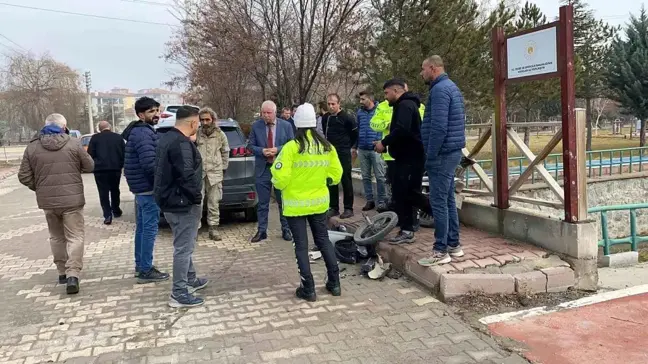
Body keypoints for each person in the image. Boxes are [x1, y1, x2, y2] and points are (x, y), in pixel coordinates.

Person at [271, 103, 343, 302]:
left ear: (297, 123)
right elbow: (336, 175)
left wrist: (280, 185)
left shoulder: (291, 148)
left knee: (301, 246)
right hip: (319, 204)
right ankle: (334, 283)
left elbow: (279, 177)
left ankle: (308, 288)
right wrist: (324, 182)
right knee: (323, 240)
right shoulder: (327, 147)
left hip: (295, 206)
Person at [18, 113, 94, 294]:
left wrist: (40, 188)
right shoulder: (73, 143)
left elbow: (23, 176)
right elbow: (90, 166)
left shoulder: (32, 147)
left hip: (48, 201)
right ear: (64, 126)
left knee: (56, 236)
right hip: (72, 200)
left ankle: (61, 272)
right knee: (75, 236)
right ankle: (73, 274)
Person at [154, 106, 208, 308]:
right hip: (182, 204)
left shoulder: (166, 138)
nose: (199, 126)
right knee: (183, 248)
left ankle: (191, 279)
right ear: (193, 123)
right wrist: (196, 197)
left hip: (170, 201)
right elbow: (186, 176)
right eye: (199, 123)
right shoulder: (181, 143)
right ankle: (179, 293)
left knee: (185, 244)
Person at [418, 55, 467, 266]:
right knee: (447, 198)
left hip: (442, 153)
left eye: (423, 69)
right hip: (452, 151)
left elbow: (439, 127)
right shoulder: (451, 87)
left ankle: (440, 250)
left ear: (432, 68)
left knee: (438, 201)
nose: (422, 73)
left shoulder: (439, 91)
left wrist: (431, 153)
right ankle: (454, 245)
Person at [374, 79, 432, 244]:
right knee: (402, 194)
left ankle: (440, 215)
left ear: (395, 91)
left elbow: (402, 129)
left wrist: (383, 143)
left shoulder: (405, 105)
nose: (385, 97)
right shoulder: (403, 105)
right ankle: (406, 229)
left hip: (411, 158)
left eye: (386, 93)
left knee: (410, 194)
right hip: (404, 157)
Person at [122, 97, 169, 283]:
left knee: (142, 229)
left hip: (141, 190)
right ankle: (146, 270)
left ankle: (141, 266)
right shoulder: (143, 134)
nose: (156, 115)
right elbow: (150, 165)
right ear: (141, 115)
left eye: (157, 110)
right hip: (148, 190)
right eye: (151, 112)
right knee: (149, 230)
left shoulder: (140, 131)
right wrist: (161, 184)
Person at [247, 100, 295, 243]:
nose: (266, 116)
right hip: (263, 169)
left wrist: (277, 149)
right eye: (264, 113)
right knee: (262, 203)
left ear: (275, 113)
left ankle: (286, 230)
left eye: (269, 113)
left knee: (283, 202)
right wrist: (261, 151)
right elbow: (250, 146)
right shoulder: (256, 126)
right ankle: (262, 231)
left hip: (280, 169)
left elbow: (292, 144)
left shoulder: (286, 126)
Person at [321, 93, 358, 219]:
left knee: (345, 179)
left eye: (333, 104)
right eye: (329, 104)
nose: (331, 106)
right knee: (331, 179)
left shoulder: (347, 117)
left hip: (343, 152)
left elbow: (354, 134)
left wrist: (348, 146)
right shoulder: (325, 118)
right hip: (330, 152)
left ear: (339, 104)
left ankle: (348, 208)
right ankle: (334, 207)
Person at [196, 107, 230, 241]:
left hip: (215, 174)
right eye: (202, 120)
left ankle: (213, 229)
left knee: (213, 203)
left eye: (207, 119)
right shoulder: (196, 134)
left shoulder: (220, 135)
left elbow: (225, 153)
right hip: (199, 174)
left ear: (213, 119)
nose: (205, 122)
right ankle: (195, 229)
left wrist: (223, 169)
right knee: (197, 203)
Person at [355, 90, 388, 211]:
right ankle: (369, 200)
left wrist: (381, 142)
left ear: (370, 98)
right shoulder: (360, 113)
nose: (361, 101)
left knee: (380, 176)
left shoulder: (379, 111)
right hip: (363, 149)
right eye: (360, 99)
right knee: (365, 176)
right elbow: (358, 129)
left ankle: (382, 201)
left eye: (363, 99)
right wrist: (355, 146)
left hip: (376, 149)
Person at [88, 120, 125, 225]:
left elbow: (90, 154)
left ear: (99, 129)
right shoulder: (118, 137)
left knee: (103, 192)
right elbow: (124, 153)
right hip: (115, 169)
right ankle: (116, 210)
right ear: (110, 127)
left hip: (100, 170)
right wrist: (121, 165)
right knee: (115, 190)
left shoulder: (95, 138)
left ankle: (107, 215)